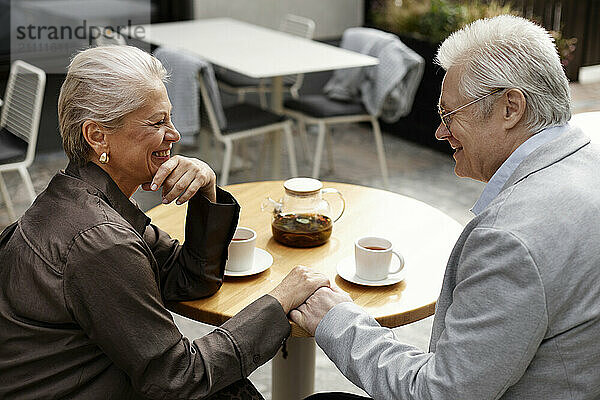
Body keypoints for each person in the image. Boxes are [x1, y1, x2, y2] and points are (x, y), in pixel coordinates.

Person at [292, 15, 600, 400]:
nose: (440, 132)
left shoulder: (511, 238)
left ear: (510, 107)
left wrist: (336, 320)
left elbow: (439, 393)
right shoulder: (589, 159)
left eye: (449, 114)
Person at [0, 45, 329, 399]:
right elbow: (176, 379)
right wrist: (279, 301)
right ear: (97, 136)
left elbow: (189, 279)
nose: (175, 135)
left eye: (169, 118)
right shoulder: (101, 242)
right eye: (157, 122)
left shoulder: (77, 198)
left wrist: (207, 189)